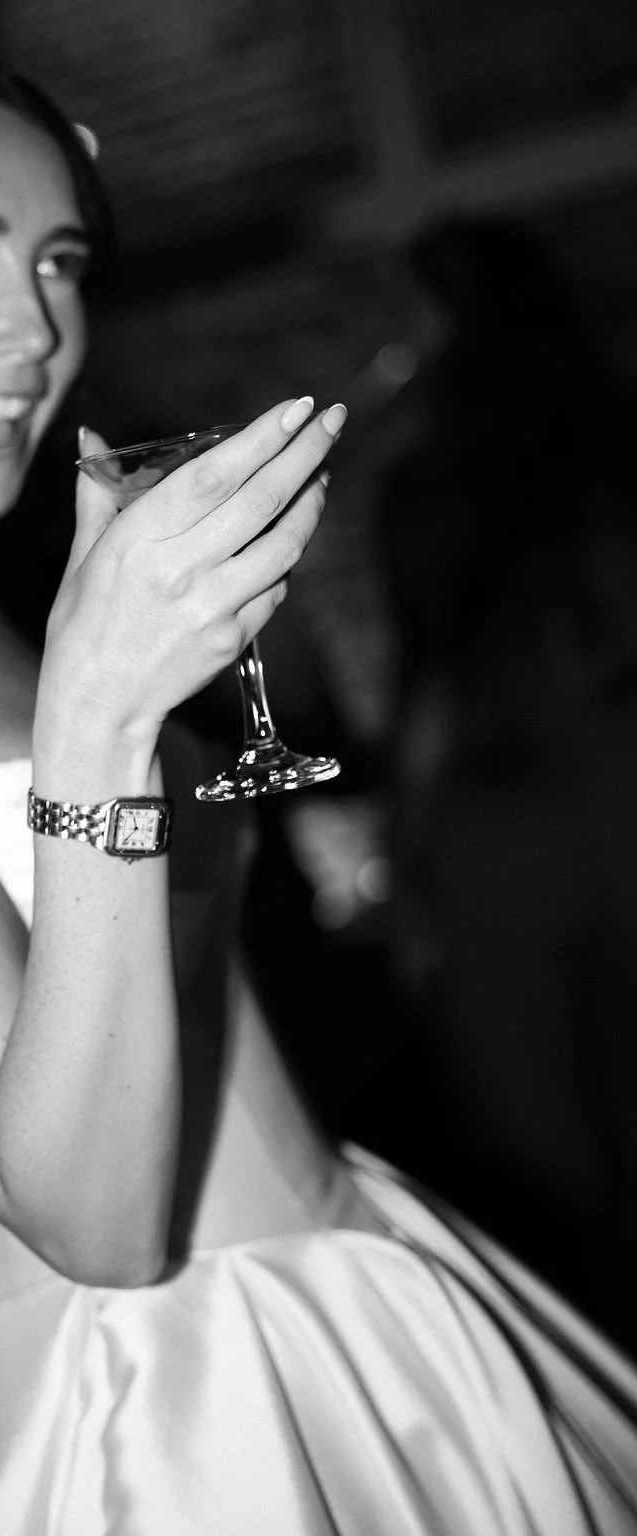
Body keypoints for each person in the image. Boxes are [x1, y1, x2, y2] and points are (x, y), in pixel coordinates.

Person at [0, 37, 637, 1536]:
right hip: (177, 1400)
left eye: (60, 262)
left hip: (342, 1282)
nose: (36, 328)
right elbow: (96, 1222)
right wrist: (103, 717)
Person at [374, 217, 637, 1353]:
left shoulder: (429, 477)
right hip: (618, 790)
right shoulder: (619, 438)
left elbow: (429, 687)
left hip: (505, 819)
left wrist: (408, 863)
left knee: (544, 1171)